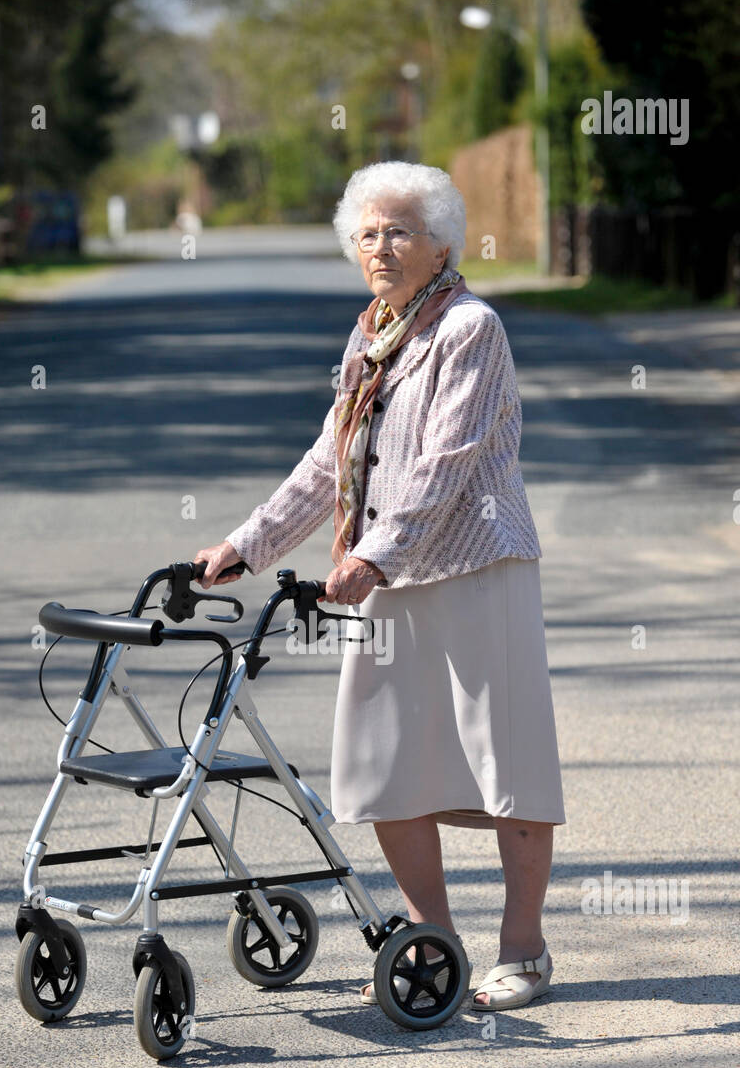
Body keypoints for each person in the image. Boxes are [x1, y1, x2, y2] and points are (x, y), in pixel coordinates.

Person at [194, 161, 565, 1010]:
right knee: (384, 761)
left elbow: (445, 465)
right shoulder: (370, 335)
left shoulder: (471, 328)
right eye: (366, 233)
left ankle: (525, 951)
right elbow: (329, 461)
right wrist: (247, 546)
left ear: (441, 242)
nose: (381, 247)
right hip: (387, 577)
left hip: (475, 568)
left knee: (508, 761)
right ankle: (432, 945)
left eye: (399, 230)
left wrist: (375, 554)